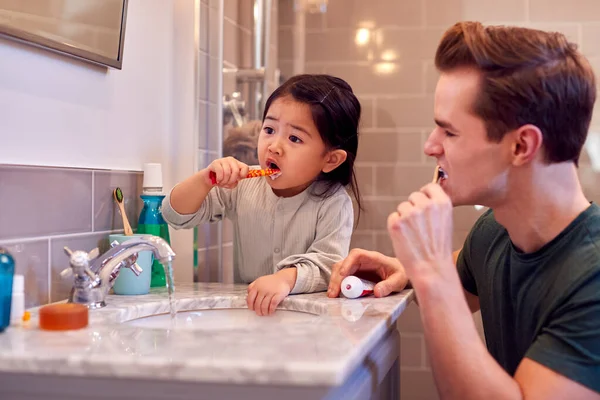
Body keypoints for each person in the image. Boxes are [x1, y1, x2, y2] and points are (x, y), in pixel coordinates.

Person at [328, 21, 600, 398]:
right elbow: (457, 282)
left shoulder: (593, 278)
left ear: (522, 146)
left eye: (449, 132)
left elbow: (442, 286)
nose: (430, 146)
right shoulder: (495, 233)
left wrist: (433, 271)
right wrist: (406, 269)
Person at [163, 74, 362, 316]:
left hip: (307, 319)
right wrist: (205, 179)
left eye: (294, 138)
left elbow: (327, 266)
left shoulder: (334, 203)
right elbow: (175, 215)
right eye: (269, 129)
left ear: (330, 159)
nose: (274, 146)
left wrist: (285, 279)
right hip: (252, 312)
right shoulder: (243, 185)